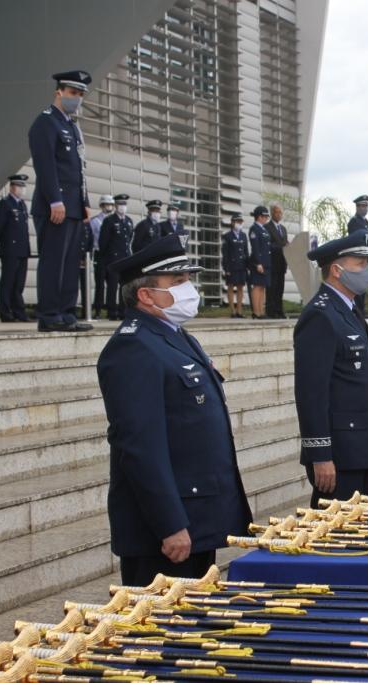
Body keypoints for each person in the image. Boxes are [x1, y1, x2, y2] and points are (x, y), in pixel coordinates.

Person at [97, 234, 252, 583]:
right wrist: (170, 524)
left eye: (187, 280)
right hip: (166, 532)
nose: (188, 289)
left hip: (195, 516)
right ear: (146, 294)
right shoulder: (133, 348)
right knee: (162, 632)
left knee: (192, 627)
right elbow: (139, 447)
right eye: (177, 282)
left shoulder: (174, 335)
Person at [295, 231, 368, 507]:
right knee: (334, 537)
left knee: (359, 531)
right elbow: (311, 393)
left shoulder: (347, 309)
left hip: (362, 445)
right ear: (336, 270)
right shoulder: (320, 315)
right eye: (360, 263)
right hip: (340, 452)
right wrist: (320, 454)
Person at [28, 70, 94, 332]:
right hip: (54, 206)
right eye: (72, 93)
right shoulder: (46, 123)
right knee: (53, 260)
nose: (75, 98)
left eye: (79, 95)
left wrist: (85, 201)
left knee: (69, 263)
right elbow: (46, 166)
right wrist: (55, 200)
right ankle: (49, 314)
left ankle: (67, 312)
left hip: (75, 207)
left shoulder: (71, 126)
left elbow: (79, 170)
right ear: (59, 92)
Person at [0, 174, 33, 322]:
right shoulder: (4, 204)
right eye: (19, 186)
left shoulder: (22, 205)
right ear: (12, 187)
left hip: (22, 250)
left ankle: (19, 312)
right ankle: (6, 312)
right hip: (10, 250)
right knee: (8, 282)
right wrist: (7, 245)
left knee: (19, 284)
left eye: (23, 186)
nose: (22, 189)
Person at [99, 194, 135, 321]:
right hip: (113, 258)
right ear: (115, 206)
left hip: (125, 258)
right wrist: (106, 258)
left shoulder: (129, 221)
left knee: (124, 286)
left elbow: (129, 238)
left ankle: (122, 310)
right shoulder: (109, 221)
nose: (122, 207)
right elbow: (103, 242)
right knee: (112, 286)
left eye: (124, 204)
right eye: (120, 204)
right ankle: (112, 310)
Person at [88, 195, 115, 318]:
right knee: (99, 284)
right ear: (101, 206)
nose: (108, 207)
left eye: (110, 205)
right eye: (105, 205)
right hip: (100, 254)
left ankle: (111, 310)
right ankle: (98, 309)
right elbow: (91, 238)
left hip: (112, 254)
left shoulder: (116, 220)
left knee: (112, 284)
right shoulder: (95, 221)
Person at [347, 195, 368, 312]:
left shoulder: (366, 222)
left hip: (367, 258)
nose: (365, 208)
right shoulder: (354, 221)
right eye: (363, 205)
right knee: (358, 285)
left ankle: (362, 310)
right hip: (359, 257)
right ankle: (358, 310)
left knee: (364, 285)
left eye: (366, 205)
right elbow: (355, 241)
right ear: (357, 207)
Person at [221, 213, 248, 318]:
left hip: (242, 265)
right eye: (237, 222)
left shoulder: (243, 235)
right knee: (231, 287)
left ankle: (239, 310)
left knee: (241, 287)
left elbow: (246, 251)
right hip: (231, 265)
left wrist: (247, 265)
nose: (239, 224)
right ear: (232, 223)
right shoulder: (227, 236)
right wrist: (226, 267)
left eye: (241, 222)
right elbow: (225, 253)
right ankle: (232, 310)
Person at [265, 204, 289, 318]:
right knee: (272, 289)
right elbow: (268, 245)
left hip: (282, 263)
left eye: (280, 212)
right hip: (272, 263)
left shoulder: (283, 229)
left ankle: (280, 310)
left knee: (280, 288)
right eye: (277, 212)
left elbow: (285, 243)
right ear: (272, 213)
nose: (279, 214)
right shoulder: (267, 227)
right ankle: (271, 311)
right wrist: (282, 247)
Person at [247, 206, 271, 319]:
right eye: (264, 216)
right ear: (259, 217)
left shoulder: (264, 229)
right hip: (259, 262)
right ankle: (256, 312)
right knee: (257, 286)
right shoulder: (254, 229)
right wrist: (258, 263)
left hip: (266, 262)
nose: (266, 218)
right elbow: (255, 247)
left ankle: (261, 311)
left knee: (262, 287)